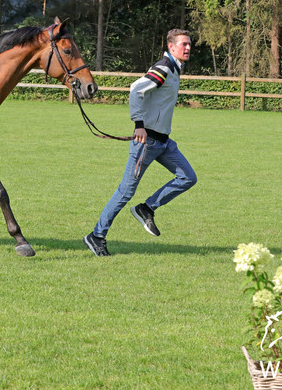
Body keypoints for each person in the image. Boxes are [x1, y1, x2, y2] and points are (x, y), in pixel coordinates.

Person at [83, 29, 197, 257]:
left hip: (164, 143)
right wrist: (138, 124)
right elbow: (136, 90)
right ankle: (96, 236)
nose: (187, 48)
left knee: (188, 177)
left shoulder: (175, 69)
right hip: (146, 143)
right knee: (125, 192)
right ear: (171, 46)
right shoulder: (164, 67)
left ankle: (146, 208)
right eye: (183, 44)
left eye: (189, 44)